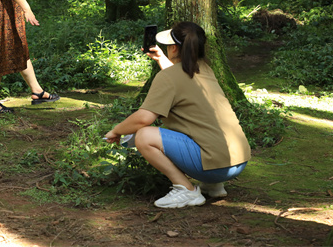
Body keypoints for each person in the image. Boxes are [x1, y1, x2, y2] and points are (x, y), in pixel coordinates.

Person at [104, 21, 251, 208]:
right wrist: (161, 60)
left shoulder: (168, 78)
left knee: (143, 135)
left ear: (173, 49)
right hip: (238, 161)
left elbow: (144, 118)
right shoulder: (204, 69)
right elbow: (179, 80)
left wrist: (116, 131)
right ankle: (213, 186)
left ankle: (186, 190)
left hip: (216, 167)